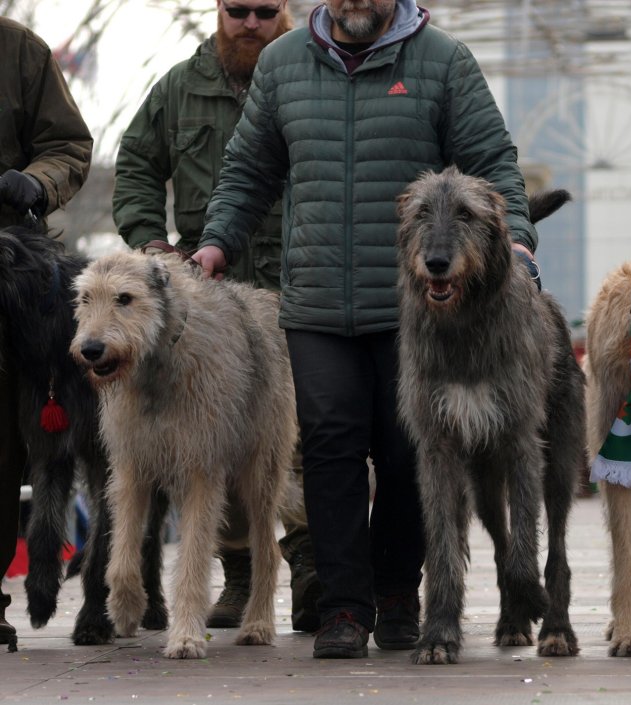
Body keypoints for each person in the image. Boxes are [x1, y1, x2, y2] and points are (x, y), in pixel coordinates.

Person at [191, 0, 540, 659]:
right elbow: (250, 167)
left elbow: (490, 159)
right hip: (317, 301)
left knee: (410, 453)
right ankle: (345, 607)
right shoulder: (283, 63)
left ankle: (398, 595)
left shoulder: (442, 61)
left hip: (416, 306)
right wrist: (217, 243)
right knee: (330, 448)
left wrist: (516, 240)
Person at [111, 0, 321, 633]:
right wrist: (152, 246)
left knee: (312, 434)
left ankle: (313, 565)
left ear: (284, 9)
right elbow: (135, 169)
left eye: (264, 10)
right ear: (218, 11)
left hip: (302, 283)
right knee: (218, 437)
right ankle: (238, 572)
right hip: (211, 290)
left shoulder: (310, 75)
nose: (251, 23)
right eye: (238, 10)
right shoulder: (179, 87)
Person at [0, 16, 93, 645]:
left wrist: (36, 182)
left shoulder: (20, 49)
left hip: (10, 274)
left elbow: (70, 146)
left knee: (6, 447)